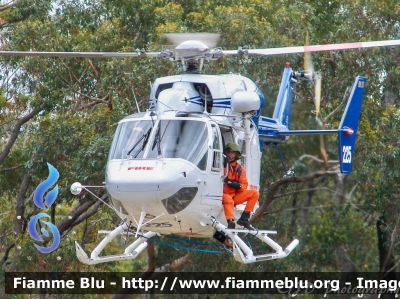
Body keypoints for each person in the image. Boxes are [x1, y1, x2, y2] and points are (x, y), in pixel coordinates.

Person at [222, 143, 259, 230]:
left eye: (232, 153)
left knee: (255, 193)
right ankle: (230, 221)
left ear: (236, 155)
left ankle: (244, 219)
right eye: (228, 152)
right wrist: (224, 165)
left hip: (234, 195)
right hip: (223, 194)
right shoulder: (222, 165)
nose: (229, 155)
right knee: (228, 200)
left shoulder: (240, 169)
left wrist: (238, 186)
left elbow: (244, 184)